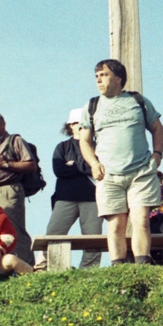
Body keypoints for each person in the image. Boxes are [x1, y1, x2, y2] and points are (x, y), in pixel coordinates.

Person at [79, 59, 163, 265]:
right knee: (116, 224)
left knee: (141, 220)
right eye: (96, 76)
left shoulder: (138, 101)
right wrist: (93, 163)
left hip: (141, 171)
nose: (98, 79)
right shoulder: (91, 106)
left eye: (104, 75)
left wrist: (158, 154)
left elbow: (158, 128)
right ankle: (119, 267)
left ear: (118, 78)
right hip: (108, 174)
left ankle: (143, 266)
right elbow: (84, 140)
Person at [38, 108, 102, 270]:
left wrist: (73, 164)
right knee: (53, 233)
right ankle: (43, 268)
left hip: (93, 199)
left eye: (85, 124)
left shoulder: (99, 146)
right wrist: (88, 166)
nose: (81, 127)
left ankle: (89, 271)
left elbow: (102, 169)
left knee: (93, 238)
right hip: (65, 198)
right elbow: (59, 170)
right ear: (71, 125)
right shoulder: (62, 147)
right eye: (78, 123)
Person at [0, 112, 37, 266]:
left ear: (2, 124)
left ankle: (26, 266)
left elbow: (31, 165)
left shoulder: (15, 140)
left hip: (9, 189)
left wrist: (5, 164)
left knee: (14, 229)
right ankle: (3, 266)